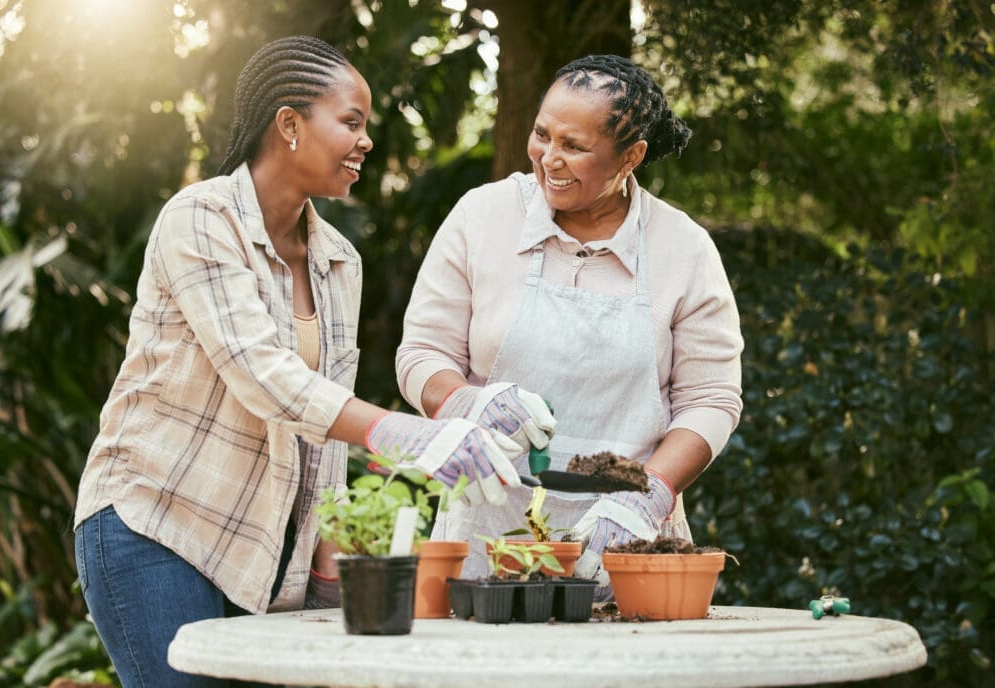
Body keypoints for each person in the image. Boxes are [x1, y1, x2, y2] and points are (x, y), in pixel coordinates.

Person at [73, 36, 521, 687]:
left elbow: (325, 427)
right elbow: (264, 376)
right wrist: (411, 434)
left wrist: (327, 569)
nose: (366, 141)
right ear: (289, 124)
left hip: (254, 552)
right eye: (351, 122)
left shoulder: (339, 259)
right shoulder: (199, 219)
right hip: (154, 523)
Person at [396, 54, 743, 590]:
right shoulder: (481, 216)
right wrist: (466, 402)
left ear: (631, 157)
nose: (548, 159)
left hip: (631, 546)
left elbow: (711, 400)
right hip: (486, 539)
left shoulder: (684, 249)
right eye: (542, 135)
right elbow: (420, 354)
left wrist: (649, 496)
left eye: (574, 147)